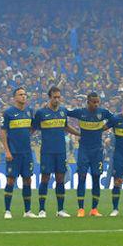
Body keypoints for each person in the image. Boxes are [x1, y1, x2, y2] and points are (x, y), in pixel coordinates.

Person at [32, 86, 79, 218]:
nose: (57, 99)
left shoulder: (63, 111)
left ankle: (60, 210)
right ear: (50, 97)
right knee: (45, 179)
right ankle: (42, 210)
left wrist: (79, 133)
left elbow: (65, 127)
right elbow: (33, 128)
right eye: (55, 97)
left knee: (60, 179)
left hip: (61, 151)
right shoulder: (41, 113)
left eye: (59, 97)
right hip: (47, 151)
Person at [68, 92, 112, 217]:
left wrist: (104, 127)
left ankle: (94, 209)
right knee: (81, 177)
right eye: (94, 102)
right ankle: (81, 209)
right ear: (88, 102)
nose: (96, 104)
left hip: (97, 151)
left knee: (96, 178)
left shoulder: (102, 112)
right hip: (84, 150)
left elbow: (115, 119)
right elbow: (65, 112)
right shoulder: (80, 112)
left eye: (98, 102)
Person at [0, 87, 35, 219]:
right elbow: (2, 132)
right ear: (15, 98)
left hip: (27, 153)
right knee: (10, 180)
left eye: (25, 94)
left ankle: (27, 211)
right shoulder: (8, 113)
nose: (23, 96)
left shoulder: (29, 112)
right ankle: (7, 211)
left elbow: (32, 128)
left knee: (28, 180)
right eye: (21, 94)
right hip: (13, 153)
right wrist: (7, 151)